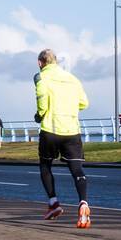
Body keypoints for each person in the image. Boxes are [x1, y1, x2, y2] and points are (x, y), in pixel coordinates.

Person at [33, 49, 91, 228]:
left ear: (40, 63)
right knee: (77, 169)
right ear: (56, 61)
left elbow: (42, 99)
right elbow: (84, 103)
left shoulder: (41, 78)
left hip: (50, 129)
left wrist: (40, 115)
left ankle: (53, 203)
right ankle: (83, 204)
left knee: (45, 165)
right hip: (71, 130)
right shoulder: (73, 79)